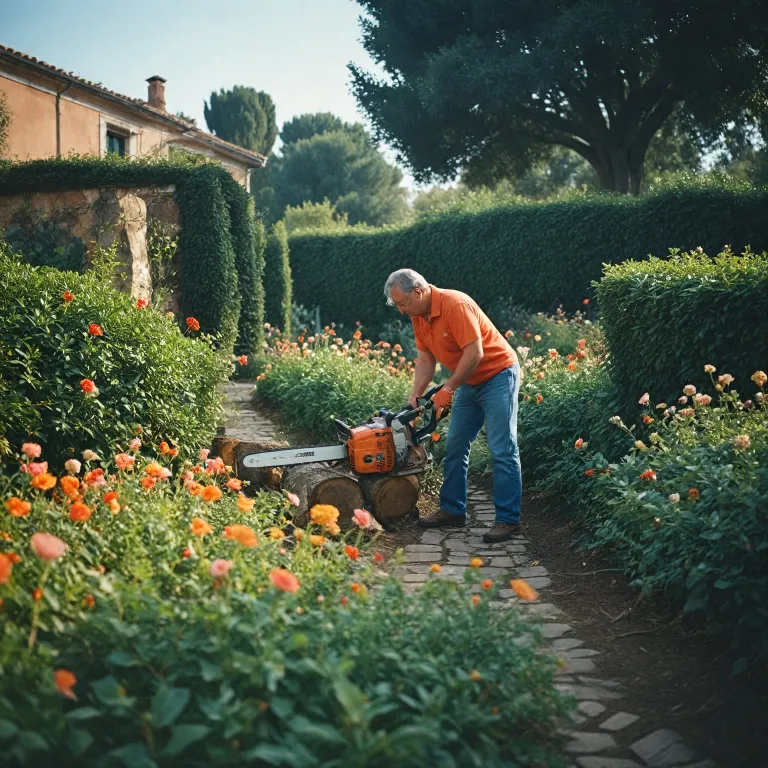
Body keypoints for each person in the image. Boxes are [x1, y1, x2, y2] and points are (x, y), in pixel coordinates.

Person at [383, 269, 522, 542]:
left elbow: (475, 352)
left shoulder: (454, 304)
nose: (401, 310)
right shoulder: (418, 315)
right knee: (456, 444)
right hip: (469, 380)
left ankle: (508, 520)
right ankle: (452, 510)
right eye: (397, 305)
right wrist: (414, 397)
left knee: (502, 447)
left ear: (419, 292)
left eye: (403, 303)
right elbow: (425, 359)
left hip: (498, 375)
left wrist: (448, 388)